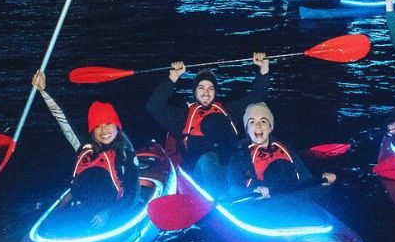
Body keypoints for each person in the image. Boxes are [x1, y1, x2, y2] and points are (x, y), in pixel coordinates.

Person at [146, 53, 270, 193]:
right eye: (201, 88)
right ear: (194, 92)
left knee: (238, 159)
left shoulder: (228, 110)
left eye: (210, 88)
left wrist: (263, 69)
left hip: (228, 167)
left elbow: (256, 96)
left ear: (215, 92)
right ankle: (221, 200)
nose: (206, 93)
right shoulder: (182, 116)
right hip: (199, 173)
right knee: (209, 159)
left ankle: (242, 196)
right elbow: (153, 106)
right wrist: (173, 77)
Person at [31, 71, 140, 228]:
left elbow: (132, 194)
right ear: (92, 131)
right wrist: (43, 91)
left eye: (108, 124)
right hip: (81, 205)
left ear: (116, 125)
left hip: (111, 210)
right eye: (98, 126)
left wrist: (108, 212)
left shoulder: (125, 152)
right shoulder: (84, 147)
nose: (104, 131)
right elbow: (63, 120)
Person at [228, 102, 336, 199]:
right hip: (259, 208)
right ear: (247, 128)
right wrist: (252, 192)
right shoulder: (239, 156)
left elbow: (306, 184)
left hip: (290, 203)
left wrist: (322, 183)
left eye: (263, 121)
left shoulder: (286, 150)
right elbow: (234, 189)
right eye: (252, 122)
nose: (258, 126)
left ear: (270, 127)